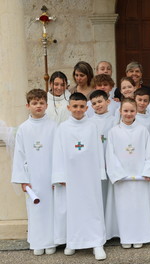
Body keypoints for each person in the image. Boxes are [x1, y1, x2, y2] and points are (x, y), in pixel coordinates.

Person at [52, 92, 106, 260]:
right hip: (71, 175)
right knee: (73, 209)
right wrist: (60, 176)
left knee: (92, 207)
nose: (78, 109)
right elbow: (58, 152)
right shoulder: (63, 128)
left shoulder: (92, 126)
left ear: (86, 108)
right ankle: (73, 242)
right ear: (69, 108)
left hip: (89, 174)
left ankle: (97, 242)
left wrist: (100, 171)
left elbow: (98, 149)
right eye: (75, 106)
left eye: (82, 106)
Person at [105, 98, 150, 249]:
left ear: (136, 112)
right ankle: (125, 235)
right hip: (123, 179)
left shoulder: (142, 130)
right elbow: (111, 155)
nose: (128, 114)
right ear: (120, 111)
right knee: (124, 208)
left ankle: (140, 235)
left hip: (140, 178)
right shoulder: (114, 132)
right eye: (125, 111)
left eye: (132, 111)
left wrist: (147, 171)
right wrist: (119, 173)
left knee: (139, 207)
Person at [11, 89, 57, 256]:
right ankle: (38, 241)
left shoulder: (53, 126)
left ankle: (51, 241)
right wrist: (23, 180)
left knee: (51, 207)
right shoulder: (23, 129)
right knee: (35, 209)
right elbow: (19, 155)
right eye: (34, 103)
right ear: (27, 105)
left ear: (46, 104)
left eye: (41, 103)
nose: (38, 106)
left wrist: (58, 176)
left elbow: (58, 153)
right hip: (32, 178)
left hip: (50, 176)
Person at [89, 90, 117, 211]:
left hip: (111, 162)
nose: (98, 105)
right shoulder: (89, 123)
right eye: (94, 103)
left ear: (108, 101)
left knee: (111, 195)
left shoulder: (115, 121)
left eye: (100, 101)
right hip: (95, 164)